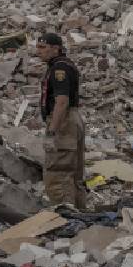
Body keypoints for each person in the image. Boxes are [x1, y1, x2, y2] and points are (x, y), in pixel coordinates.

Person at [36, 33, 87, 208]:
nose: (38, 51)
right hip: (71, 119)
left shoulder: (60, 69)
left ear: (56, 48)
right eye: (37, 47)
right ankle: (81, 216)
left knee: (58, 173)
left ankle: (65, 217)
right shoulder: (63, 66)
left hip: (64, 121)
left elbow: (62, 101)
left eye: (43, 47)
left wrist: (52, 132)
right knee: (74, 175)